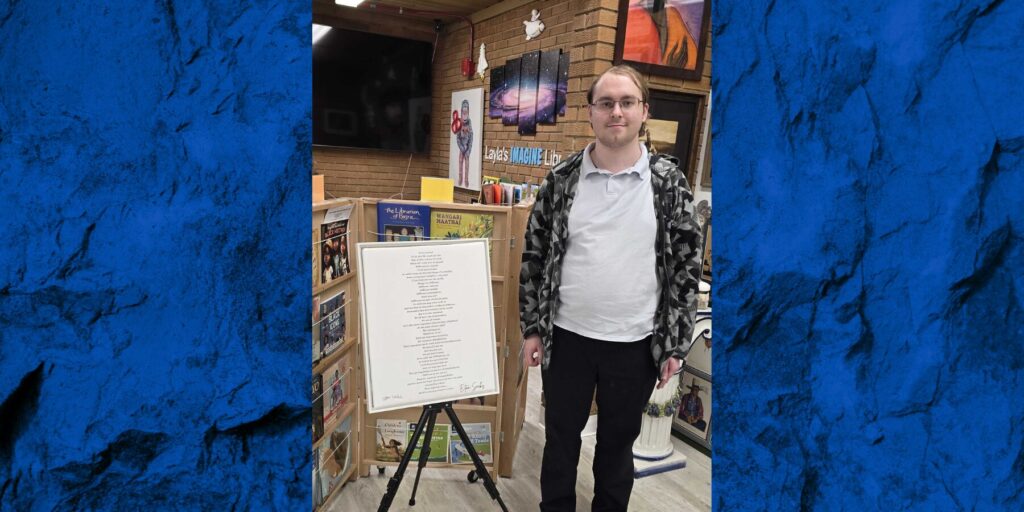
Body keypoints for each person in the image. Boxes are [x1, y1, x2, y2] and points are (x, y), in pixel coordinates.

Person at [519, 65, 702, 512]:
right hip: (567, 338)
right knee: (560, 441)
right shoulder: (562, 181)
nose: (615, 112)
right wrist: (531, 328)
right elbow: (534, 256)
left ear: (644, 111)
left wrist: (675, 343)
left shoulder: (668, 184)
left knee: (617, 449)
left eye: (626, 102)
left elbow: (685, 268)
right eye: (606, 103)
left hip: (635, 343)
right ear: (591, 113)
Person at [456, 99, 474, 188]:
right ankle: (460, 178)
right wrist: (461, 148)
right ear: (461, 111)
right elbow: (457, 138)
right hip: (462, 147)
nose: (465, 112)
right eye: (463, 110)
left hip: (467, 148)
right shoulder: (460, 123)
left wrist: (468, 150)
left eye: (466, 110)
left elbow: (471, 137)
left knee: (467, 164)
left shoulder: (469, 122)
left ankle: (466, 180)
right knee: (460, 162)